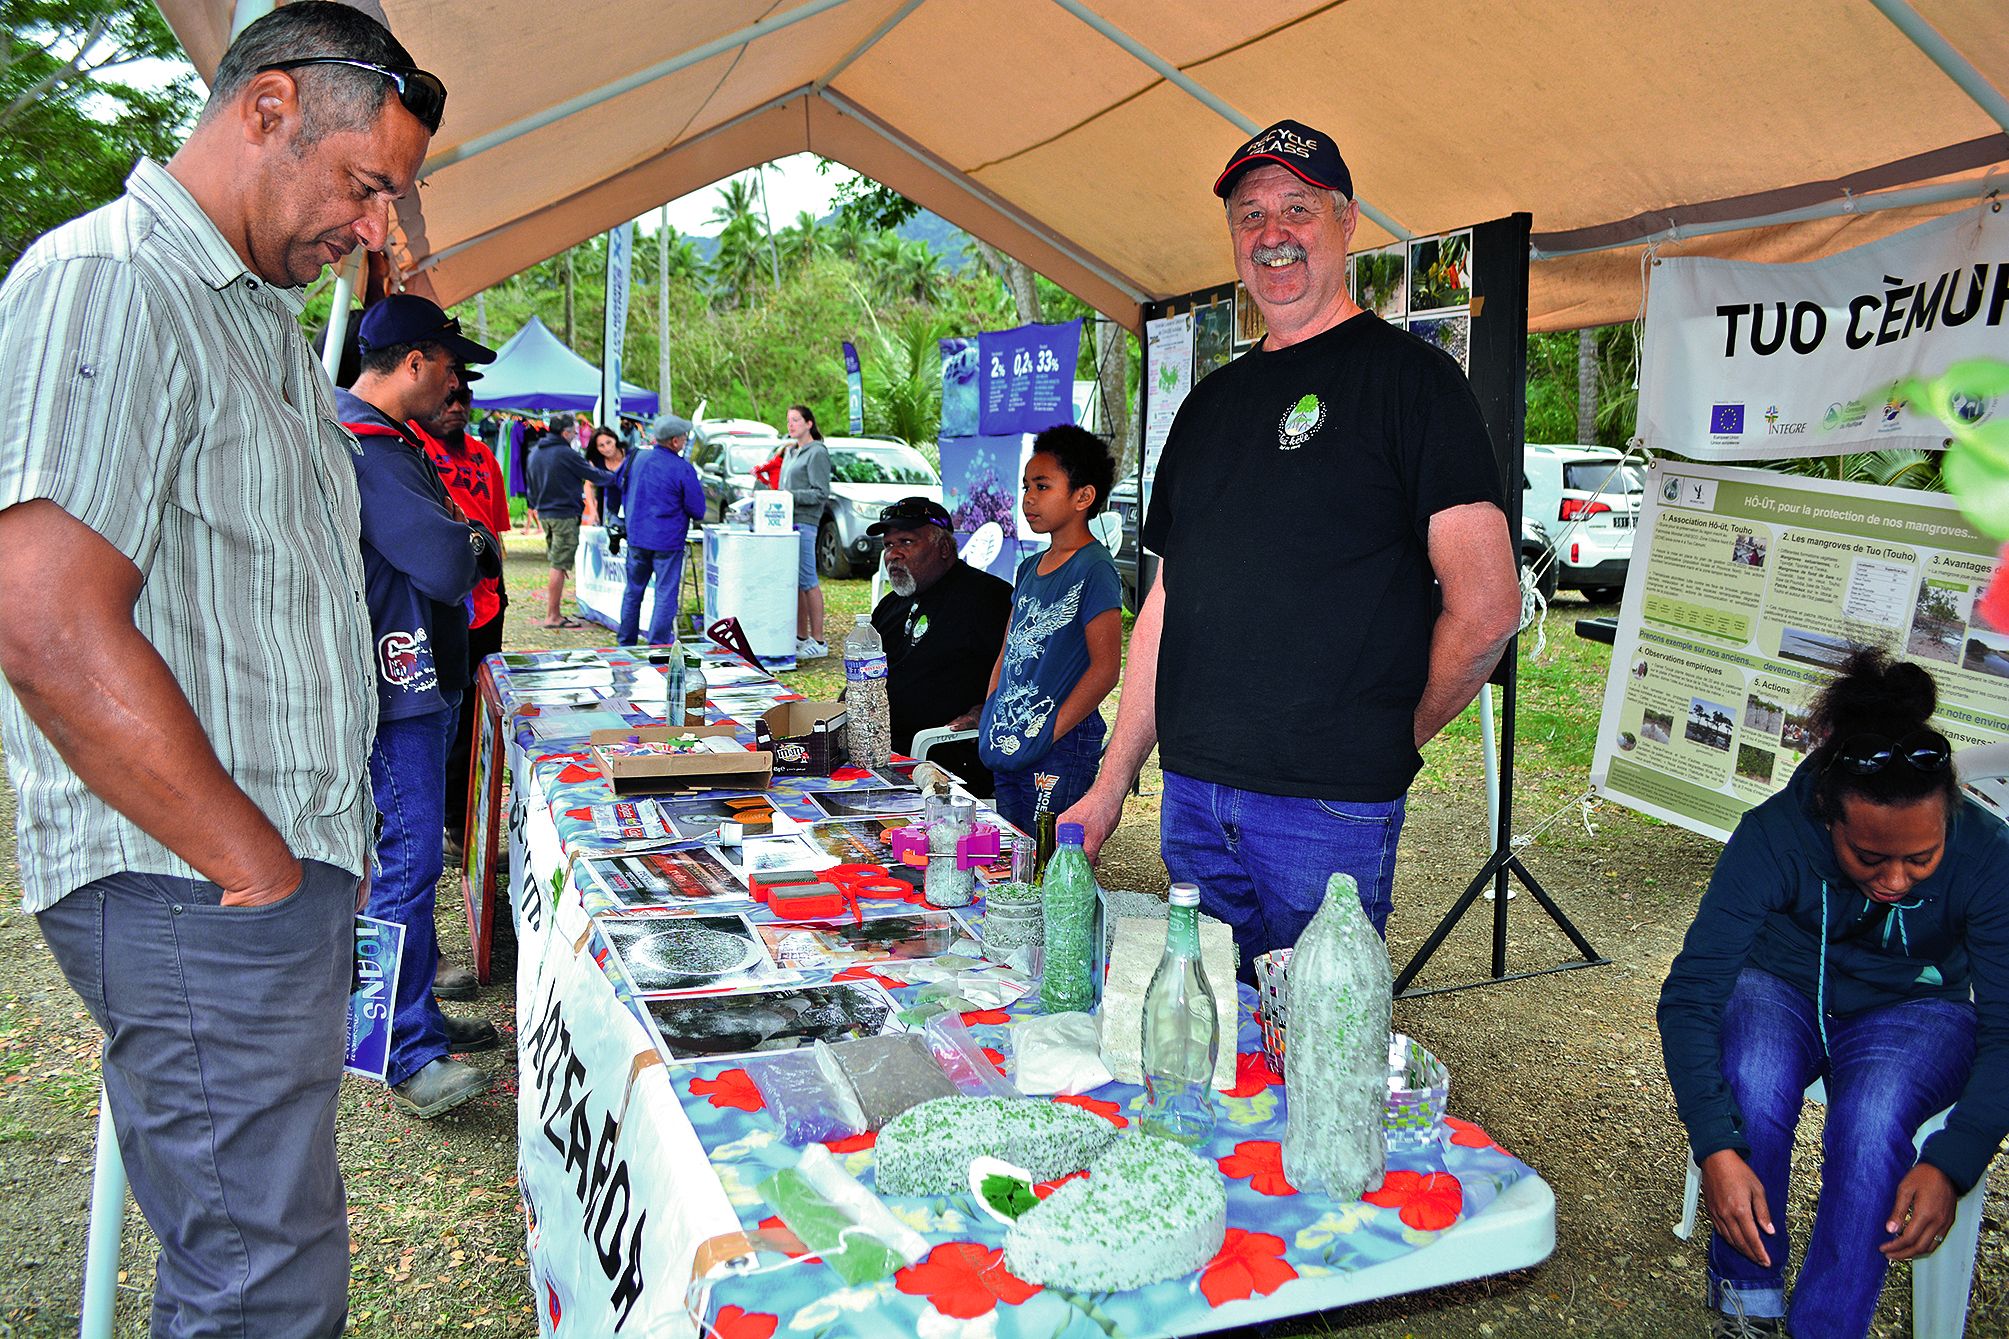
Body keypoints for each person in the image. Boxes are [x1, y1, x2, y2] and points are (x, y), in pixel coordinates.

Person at [0, 4, 442, 1330]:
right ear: (266, 109)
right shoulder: (116, 280)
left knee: (264, 1249)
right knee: (261, 1281)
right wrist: (252, 861)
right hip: (190, 877)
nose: (373, 229)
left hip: (242, 875)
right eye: (364, 184)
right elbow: (45, 621)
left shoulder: (248, 312)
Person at [1060, 117, 1521, 966]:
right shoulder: (1208, 406)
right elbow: (1167, 600)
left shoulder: (1414, 382)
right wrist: (1114, 778)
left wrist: (1388, 733)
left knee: (1317, 1049)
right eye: (1249, 215)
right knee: (1215, 1050)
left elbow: (1488, 608)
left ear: (1346, 222)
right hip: (1193, 801)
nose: (1272, 234)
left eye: (1297, 209)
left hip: (1325, 812)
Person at [1658, 649, 2009, 1339]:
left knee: (1874, 1114)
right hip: (1782, 983)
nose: (1897, 879)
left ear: (1948, 818)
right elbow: (1690, 996)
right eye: (1870, 857)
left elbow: (2005, 1029)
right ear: (1827, 816)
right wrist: (1715, 1146)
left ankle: (1826, 1326)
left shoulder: (1988, 854)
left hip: (1915, 1008)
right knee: (1753, 1081)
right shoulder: (1773, 834)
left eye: (1921, 858)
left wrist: (1952, 1160)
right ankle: (1747, 1303)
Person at [335, 294, 504, 1117]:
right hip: (393, 684)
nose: (456, 383)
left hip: (412, 674)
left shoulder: (392, 440)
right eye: (449, 365)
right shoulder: (367, 443)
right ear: (412, 362)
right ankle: (400, 1050)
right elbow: (444, 559)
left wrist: (465, 539)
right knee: (405, 862)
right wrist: (474, 541)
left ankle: (417, 1019)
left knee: (410, 857)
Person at [977, 426, 1123, 833]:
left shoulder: (1094, 568)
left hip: (1062, 745)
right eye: (1026, 486)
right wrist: (992, 711)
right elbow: (1007, 652)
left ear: (1083, 496)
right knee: (1012, 853)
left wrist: (1050, 729)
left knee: (1050, 856)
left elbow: (1106, 668)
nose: (1028, 498)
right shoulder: (1028, 568)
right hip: (1009, 736)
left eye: (1043, 486)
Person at [414, 370, 510, 974]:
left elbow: (496, 530)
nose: (455, 405)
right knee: (444, 722)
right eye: (446, 396)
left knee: (481, 718)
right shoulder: (411, 455)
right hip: (437, 612)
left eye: (463, 398)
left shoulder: (482, 458)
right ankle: (451, 825)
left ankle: (468, 824)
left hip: (486, 605)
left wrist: (498, 585)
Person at [867, 498, 1012, 795]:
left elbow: (1023, 674)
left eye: (906, 542)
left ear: (944, 548)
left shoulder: (987, 598)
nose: (893, 554)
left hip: (949, 759)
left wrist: (987, 708)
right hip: (882, 754)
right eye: (888, 545)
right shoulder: (889, 606)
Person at [617, 412, 706, 646]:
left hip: (637, 537)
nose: (686, 441)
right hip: (667, 541)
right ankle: (657, 645)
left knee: (633, 590)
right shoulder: (682, 468)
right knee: (665, 594)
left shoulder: (636, 459)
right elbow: (697, 510)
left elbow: (618, 485)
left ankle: (625, 643)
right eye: (684, 438)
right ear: (675, 441)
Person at [526, 412, 616, 628]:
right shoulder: (566, 453)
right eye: (574, 431)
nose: (576, 434)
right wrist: (618, 475)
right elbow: (593, 475)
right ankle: (553, 616)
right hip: (563, 514)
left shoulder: (535, 452)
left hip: (545, 513)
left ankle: (554, 613)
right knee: (559, 565)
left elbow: (530, 483)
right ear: (565, 432)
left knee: (557, 562)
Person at [780, 403, 832, 658]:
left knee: (809, 579)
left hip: (806, 522)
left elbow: (821, 492)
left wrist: (788, 496)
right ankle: (801, 636)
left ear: (809, 424)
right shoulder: (790, 453)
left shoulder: (817, 453)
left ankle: (819, 640)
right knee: (796, 582)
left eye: (796, 420)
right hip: (786, 522)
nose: (791, 425)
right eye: (788, 420)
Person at [582, 423, 626, 525]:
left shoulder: (629, 455)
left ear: (615, 439)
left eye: (609, 442)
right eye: (601, 445)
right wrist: (593, 511)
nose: (607, 448)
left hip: (633, 505)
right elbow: (589, 486)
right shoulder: (596, 462)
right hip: (611, 508)